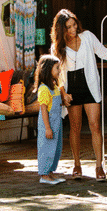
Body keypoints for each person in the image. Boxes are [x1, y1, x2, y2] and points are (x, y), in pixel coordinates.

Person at [50, 9, 107, 182]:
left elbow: (103, 52)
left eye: (74, 25)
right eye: (68, 27)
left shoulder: (87, 37)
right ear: (61, 30)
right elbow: (57, 75)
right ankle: (77, 164)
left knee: (95, 126)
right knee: (75, 128)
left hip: (90, 86)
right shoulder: (58, 47)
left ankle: (99, 166)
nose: (72, 29)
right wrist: (63, 93)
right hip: (71, 90)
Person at [34, 54, 66, 185]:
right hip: (48, 125)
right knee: (46, 149)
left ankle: (50, 172)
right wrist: (47, 128)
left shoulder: (54, 87)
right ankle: (44, 174)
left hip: (56, 124)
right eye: (57, 68)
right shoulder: (44, 89)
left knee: (56, 149)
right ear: (48, 70)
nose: (59, 71)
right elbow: (43, 110)